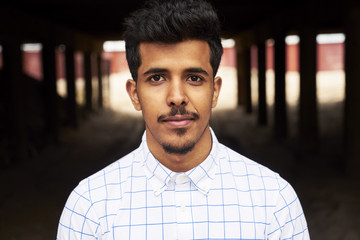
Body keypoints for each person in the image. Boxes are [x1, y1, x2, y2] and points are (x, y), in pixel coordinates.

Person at [57, 0, 310, 239]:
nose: (177, 97)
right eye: (157, 78)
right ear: (135, 95)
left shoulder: (274, 200)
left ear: (215, 91)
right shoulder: (89, 206)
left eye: (194, 78)